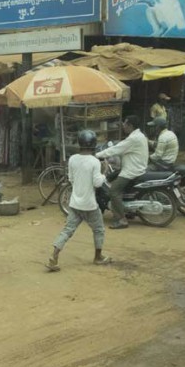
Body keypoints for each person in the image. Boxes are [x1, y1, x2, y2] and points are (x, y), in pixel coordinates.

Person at [46, 130, 111, 271]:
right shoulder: (95, 162)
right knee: (98, 229)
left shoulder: (73, 159)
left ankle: (54, 256)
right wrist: (104, 172)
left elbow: (71, 179)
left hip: (75, 203)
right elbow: (98, 183)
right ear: (94, 144)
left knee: (67, 230)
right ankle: (98, 257)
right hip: (90, 205)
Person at [96, 116, 149, 229]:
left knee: (113, 191)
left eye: (125, 123)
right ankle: (127, 211)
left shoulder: (133, 138)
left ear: (130, 125)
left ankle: (121, 219)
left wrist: (97, 155)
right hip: (137, 167)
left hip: (131, 171)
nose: (123, 126)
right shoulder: (140, 136)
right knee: (110, 177)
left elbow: (116, 149)